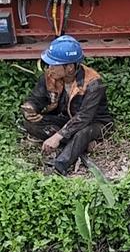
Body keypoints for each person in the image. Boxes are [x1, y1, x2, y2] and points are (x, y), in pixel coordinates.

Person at [21, 36, 113, 176]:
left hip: (95, 123)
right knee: (30, 123)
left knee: (82, 132)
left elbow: (84, 117)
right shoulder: (50, 76)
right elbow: (36, 98)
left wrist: (58, 136)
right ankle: (78, 144)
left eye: (54, 65)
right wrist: (31, 107)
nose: (49, 68)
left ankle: (60, 165)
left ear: (69, 68)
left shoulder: (93, 83)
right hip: (68, 119)